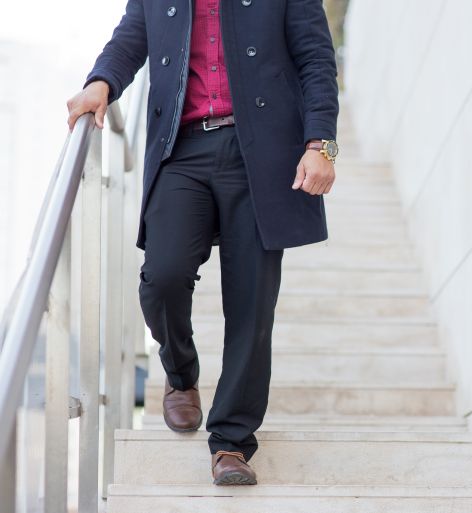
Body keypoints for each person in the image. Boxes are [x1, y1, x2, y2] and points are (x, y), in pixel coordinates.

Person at [65, 0, 340, 486]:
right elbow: (130, 40)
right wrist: (99, 83)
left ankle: (231, 442)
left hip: (261, 153)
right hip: (182, 149)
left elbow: (316, 58)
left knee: (252, 303)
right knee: (162, 276)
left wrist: (320, 143)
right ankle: (180, 371)